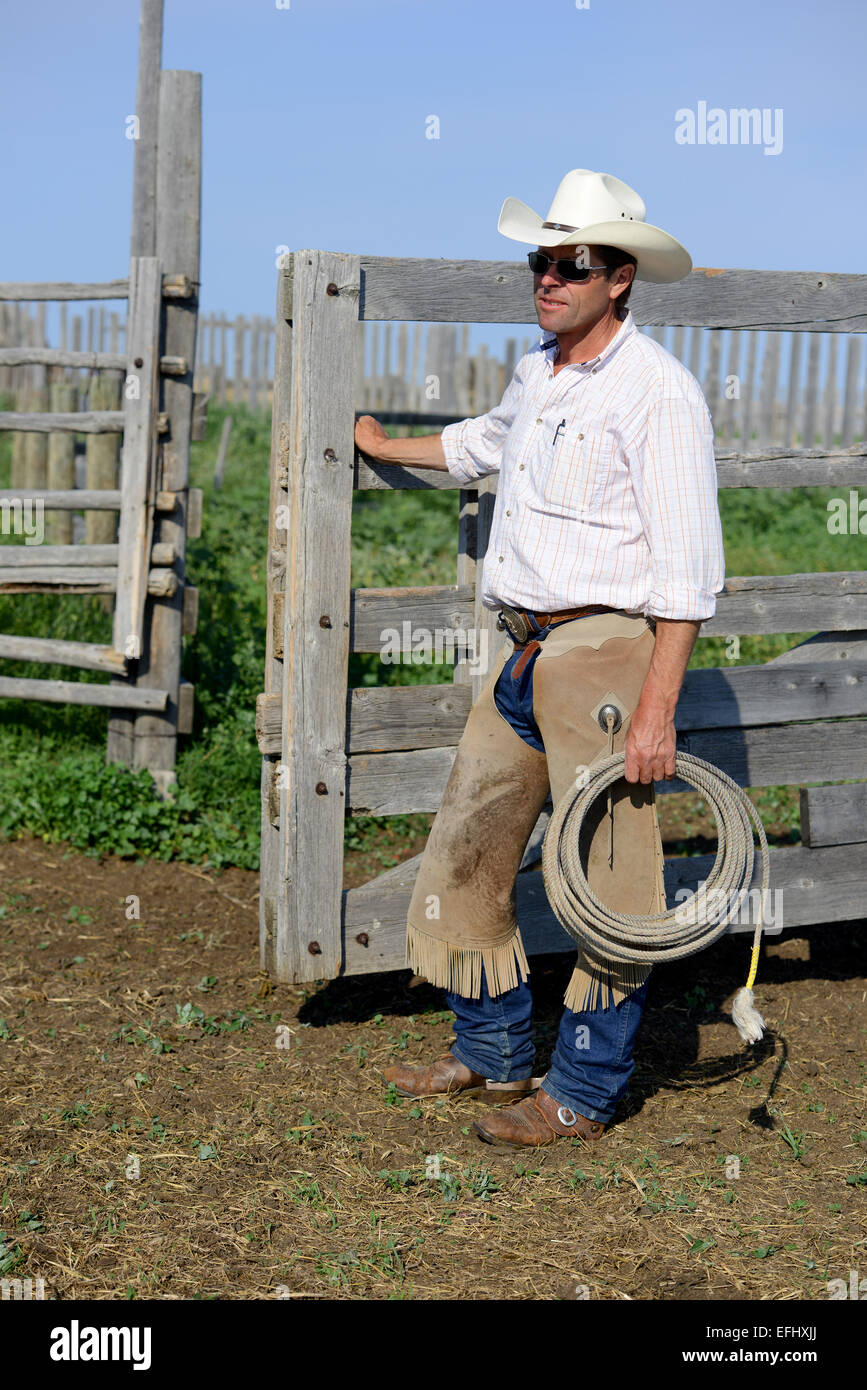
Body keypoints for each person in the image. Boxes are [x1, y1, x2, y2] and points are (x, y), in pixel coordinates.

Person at [353, 168, 725, 1147]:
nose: (550, 276)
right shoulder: (539, 372)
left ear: (622, 278)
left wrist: (657, 707)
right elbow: (483, 443)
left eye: (575, 262)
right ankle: (495, 1048)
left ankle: (584, 1093)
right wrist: (390, 442)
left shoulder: (658, 393)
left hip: (604, 650)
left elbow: (688, 570)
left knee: (611, 878)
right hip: (526, 651)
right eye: (542, 259)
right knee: (469, 850)